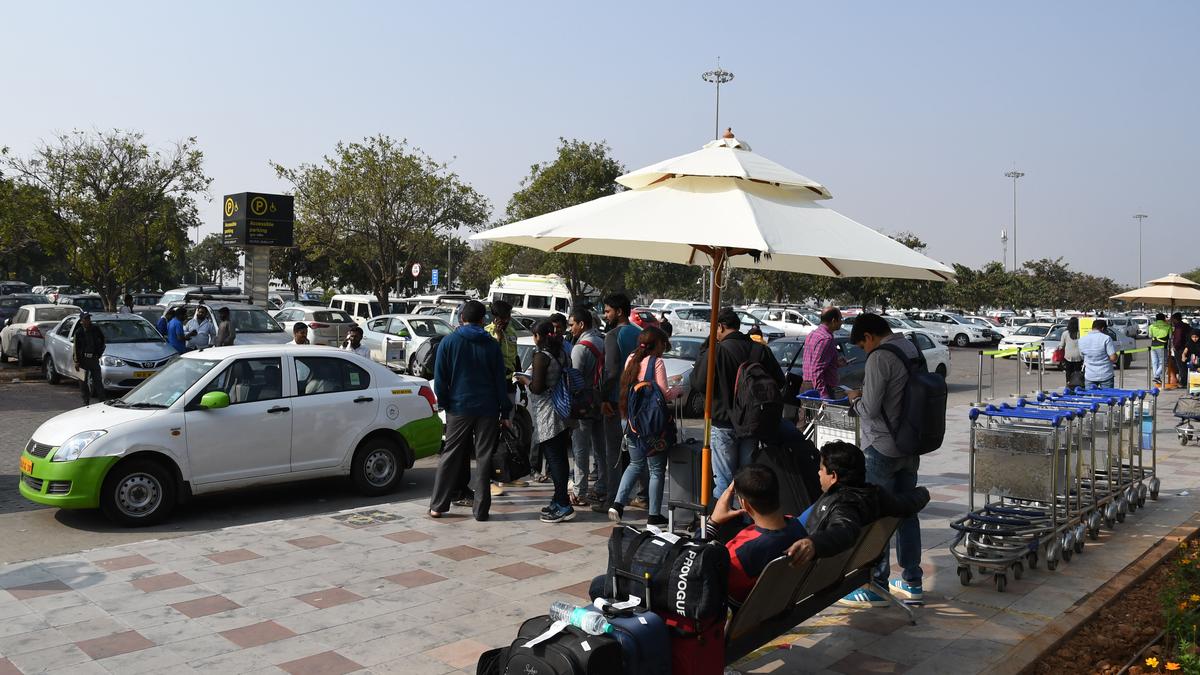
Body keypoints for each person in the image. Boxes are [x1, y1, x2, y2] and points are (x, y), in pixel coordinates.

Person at [844, 313, 924, 605]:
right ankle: (912, 581)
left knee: (877, 516)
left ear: (869, 336)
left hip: (881, 447)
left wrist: (854, 398)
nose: (864, 351)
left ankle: (876, 584)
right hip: (909, 445)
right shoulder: (910, 347)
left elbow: (870, 408)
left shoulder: (879, 357)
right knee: (907, 512)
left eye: (862, 345)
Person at [784, 442, 929, 590]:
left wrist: (814, 543)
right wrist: (923, 493)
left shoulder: (844, 506)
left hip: (809, 572)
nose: (818, 473)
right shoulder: (875, 496)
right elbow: (906, 503)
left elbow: (844, 531)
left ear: (833, 476)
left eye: (821, 469)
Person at [429, 300, 512, 521]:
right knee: (484, 458)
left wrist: (445, 404)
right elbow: (500, 382)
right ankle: (481, 511)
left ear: (462, 318)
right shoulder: (492, 345)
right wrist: (505, 411)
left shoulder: (448, 342)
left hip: (458, 407)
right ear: (483, 320)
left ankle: (438, 506)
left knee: (450, 454)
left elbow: (440, 379)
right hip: (488, 408)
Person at [690, 308, 785, 500]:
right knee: (748, 481)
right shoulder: (760, 350)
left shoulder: (716, 351)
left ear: (720, 327)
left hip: (723, 422)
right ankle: (746, 515)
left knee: (724, 482)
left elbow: (698, 382)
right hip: (753, 423)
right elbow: (779, 381)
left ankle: (724, 517)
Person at [608, 327, 681, 526]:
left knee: (635, 464)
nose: (664, 349)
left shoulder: (631, 358)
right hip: (652, 425)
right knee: (656, 470)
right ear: (657, 344)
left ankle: (617, 504)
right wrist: (677, 390)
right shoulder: (656, 362)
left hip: (630, 421)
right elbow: (664, 394)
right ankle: (654, 516)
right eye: (663, 345)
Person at [709, 463, 807, 605]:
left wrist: (713, 522)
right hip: (780, 606)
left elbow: (698, 574)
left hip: (737, 614)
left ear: (745, 504)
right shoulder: (795, 526)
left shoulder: (738, 555)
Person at [596, 293, 649, 513]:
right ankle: (643, 495)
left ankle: (612, 499)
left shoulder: (612, 336)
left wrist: (604, 398)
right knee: (638, 452)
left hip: (617, 401)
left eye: (608, 311)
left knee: (614, 453)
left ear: (619, 312)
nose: (605, 315)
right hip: (639, 400)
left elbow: (611, 371)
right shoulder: (640, 334)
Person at [528, 320, 577, 523]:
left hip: (547, 413)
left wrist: (526, 381)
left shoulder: (541, 357)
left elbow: (537, 387)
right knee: (561, 458)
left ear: (539, 336)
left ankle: (563, 504)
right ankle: (558, 499)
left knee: (555, 459)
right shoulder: (562, 353)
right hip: (563, 409)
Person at [568, 308, 607, 506]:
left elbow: (574, 380)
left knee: (581, 448)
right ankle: (603, 486)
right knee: (601, 447)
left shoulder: (580, 348)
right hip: (601, 401)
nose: (570, 328)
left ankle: (579, 491)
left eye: (572, 324)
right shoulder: (603, 341)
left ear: (581, 324)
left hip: (583, 403)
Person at [487, 301, 527, 488]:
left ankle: (506, 473)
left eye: (509, 316)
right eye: (504, 317)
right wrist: (497, 336)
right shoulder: (487, 332)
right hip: (493, 386)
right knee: (491, 431)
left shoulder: (512, 331)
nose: (507, 320)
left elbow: (515, 356)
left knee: (507, 427)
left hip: (509, 383)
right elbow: (491, 357)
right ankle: (491, 478)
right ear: (495, 318)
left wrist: (521, 382)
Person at [802, 307, 845, 399]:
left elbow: (813, 363)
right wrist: (824, 396)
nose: (842, 322)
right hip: (819, 389)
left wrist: (835, 363)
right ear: (834, 321)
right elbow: (816, 370)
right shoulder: (826, 339)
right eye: (840, 319)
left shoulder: (813, 334)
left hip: (808, 385)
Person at [72, 313, 106, 405]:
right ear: (81, 321)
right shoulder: (79, 332)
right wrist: (76, 361)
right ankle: (85, 402)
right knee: (83, 382)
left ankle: (102, 401)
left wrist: (99, 354)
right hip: (83, 360)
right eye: (85, 319)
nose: (87, 320)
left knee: (98, 381)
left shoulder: (96, 329)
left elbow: (103, 341)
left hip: (94, 358)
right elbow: (76, 348)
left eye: (88, 318)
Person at [1079, 318, 1117, 389]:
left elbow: (1082, 356)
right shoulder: (1106, 338)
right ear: (1103, 328)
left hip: (1090, 375)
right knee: (1107, 395)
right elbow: (1113, 358)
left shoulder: (1082, 339)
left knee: (1090, 395)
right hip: (1105, 374)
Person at [1148, 313, 1171, 385]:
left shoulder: (1151, 326)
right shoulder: (1168, 326)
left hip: (1153, 346)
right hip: (1162, 346)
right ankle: (1156, 376)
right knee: (1163, 362)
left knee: (1155, 362)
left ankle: (1157, 377)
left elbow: (1150, 335)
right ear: (1164, 318)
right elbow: (1170, 337)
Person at [1062, 317, 1084, 387]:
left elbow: (1062, 345)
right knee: (1078, 371)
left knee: (1068, 371)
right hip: (1079, 356)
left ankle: (1068, 383)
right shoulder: (1080, 333)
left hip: (1068, 356)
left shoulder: (1065, 333)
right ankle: (1077, 384)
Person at [1171, 313, 1191, 387]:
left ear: (1175, 319)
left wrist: (1175, 346)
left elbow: (1178, 338)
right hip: (1186, 347)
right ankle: (1185, 381)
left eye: (1172, 319)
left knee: (1181, 366)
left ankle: (1183, 382)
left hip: (1180, 349)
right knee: (1184, 365)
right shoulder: (1185, 325)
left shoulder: (1179, 327)